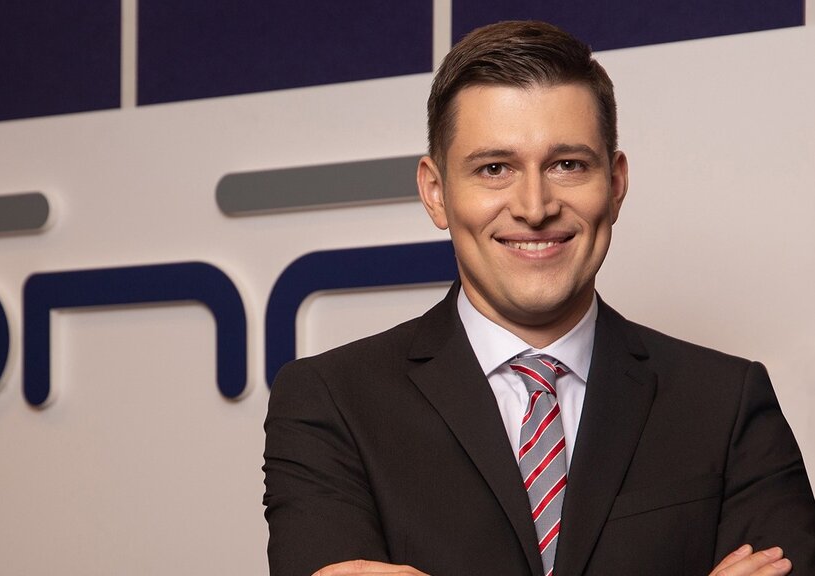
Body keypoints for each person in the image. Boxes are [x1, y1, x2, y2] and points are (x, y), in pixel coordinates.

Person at [262, 20, 815, 576]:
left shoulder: (726, 403)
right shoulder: (331, 403)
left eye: (567, 165)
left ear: (615, 184)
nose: (534, 206)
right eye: (494, 168)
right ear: (436, 193)